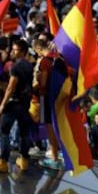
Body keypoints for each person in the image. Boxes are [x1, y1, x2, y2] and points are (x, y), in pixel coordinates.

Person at [0, 40, 33, 174]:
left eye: (16, 50)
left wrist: (2, 105)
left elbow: (11, 87)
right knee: (24, 133)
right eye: (12, 49)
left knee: (5, 132)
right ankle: (24, 159)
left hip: (13, 104)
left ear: (23, 51)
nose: (13, 52)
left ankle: (3, 162)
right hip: (25, 103)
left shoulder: (15, 67)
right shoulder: (29, 66)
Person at [32, 39, 64, 170]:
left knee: (50, 126)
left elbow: (43, 83)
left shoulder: (45, 61)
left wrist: (36, 80)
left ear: (39, 49)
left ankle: (54, 158)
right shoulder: (58, 58)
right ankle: (59, 152)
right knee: (58, 125)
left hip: (47, 97)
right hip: (59, 96)